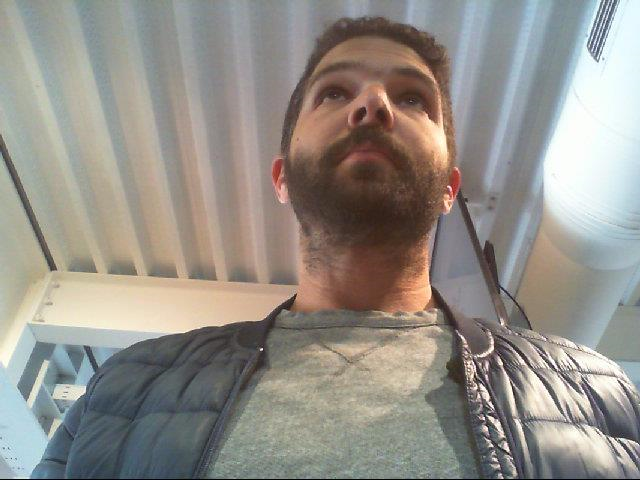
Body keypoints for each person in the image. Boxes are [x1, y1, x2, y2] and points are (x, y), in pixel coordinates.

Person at [32, 16, 640, 479]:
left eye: (412, 98)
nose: (373, 104)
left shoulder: (598, 397)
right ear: (282, 178)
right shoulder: (126, 390)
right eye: (333, 93)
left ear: (449, 190)